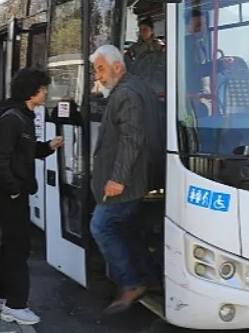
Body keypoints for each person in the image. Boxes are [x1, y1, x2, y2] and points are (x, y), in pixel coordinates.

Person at [88, 44, 164, 314]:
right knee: (128, 229)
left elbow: (131, 140)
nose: (98, 75)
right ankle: (151, 279)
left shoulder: (127, 94)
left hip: (126, 181)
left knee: (102, 227)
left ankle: (131, 283)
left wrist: (117, 179)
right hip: (139, 177)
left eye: (100, 69)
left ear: (117, 67)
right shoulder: (137, 87)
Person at [0, 68, 63, 326]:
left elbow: (24, 152)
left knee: (10, 246)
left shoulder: (22, 116)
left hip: (13, 191)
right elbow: (0, 160)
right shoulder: (13, 119)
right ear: (32, 91)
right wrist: (13, 188)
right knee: (19, 248)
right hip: (10, 194)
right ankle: (15, 305)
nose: (46, 93)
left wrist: (49, 147)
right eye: (43, 88)